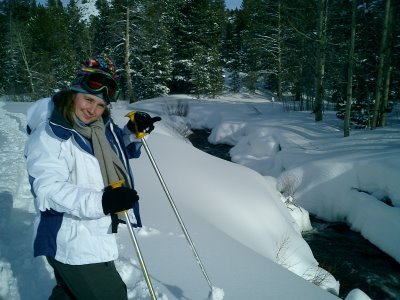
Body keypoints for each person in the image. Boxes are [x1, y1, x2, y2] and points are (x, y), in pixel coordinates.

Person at [24, 56, 161, 299]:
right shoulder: (51, 136)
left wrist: (133, 132)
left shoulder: (99, 127)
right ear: (73, 93)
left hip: (94, 234)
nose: (92, 110)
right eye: (88, 99)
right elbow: (47, 191)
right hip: (71, 241)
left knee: (69, 294)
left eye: (100, 104)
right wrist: (103, 202)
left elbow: (118, 150)